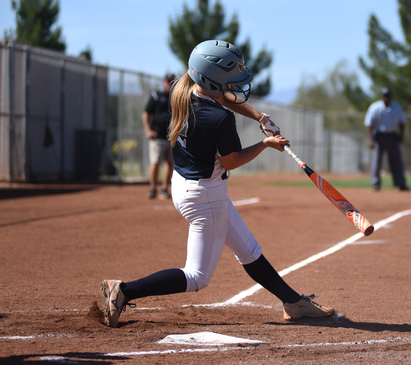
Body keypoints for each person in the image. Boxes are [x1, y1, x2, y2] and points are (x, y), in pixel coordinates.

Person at [101, 40, 335, 328]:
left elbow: (222, 97)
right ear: (211, 79)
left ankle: (293, 302)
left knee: (248, 249)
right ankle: (124, 290)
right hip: (205, 196)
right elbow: (231, 161)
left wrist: (259, 117)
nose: (234, 83)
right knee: (196, 277)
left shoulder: (180, 88)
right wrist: (265, 143)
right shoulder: (219, 119)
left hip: (186, 184)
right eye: (229, 78)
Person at [364, 87, 409, 191]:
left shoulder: (397, 107)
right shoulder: (375, 107)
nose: (386, 98)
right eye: (384, 96)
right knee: (377, 161)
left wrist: (401, 136)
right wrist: (370, 140)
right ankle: (376, 184)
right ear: (381, 97)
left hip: (393, 136)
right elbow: (369, 125)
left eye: (388, 96)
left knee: (397, 161)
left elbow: (402, 123)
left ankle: (401, 183)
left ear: (391, 97)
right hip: (379, 136)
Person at [142, 74, 175, 199]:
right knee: (155, 162)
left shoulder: (174, 96)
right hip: (157, 136)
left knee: (170, 163)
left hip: (171, 137)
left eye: (172, 81)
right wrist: (148, 130)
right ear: (164, 82)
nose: (170, 84)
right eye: (168, 81)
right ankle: (152, 188)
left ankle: (165, 188)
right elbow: (146, 113)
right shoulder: (156, 96)